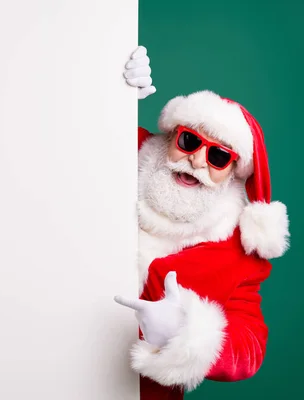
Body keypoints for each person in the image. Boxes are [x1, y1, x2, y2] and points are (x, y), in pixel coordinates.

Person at [115, 46, 290, 400]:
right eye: (190, 141)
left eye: (218, 155)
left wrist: (185, 332)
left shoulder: (237, 253)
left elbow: (250, 344)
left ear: (232, 172)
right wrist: (114, 88)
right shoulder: (122, 151)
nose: (196, 159)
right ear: (172, 136)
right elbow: (73, 128)